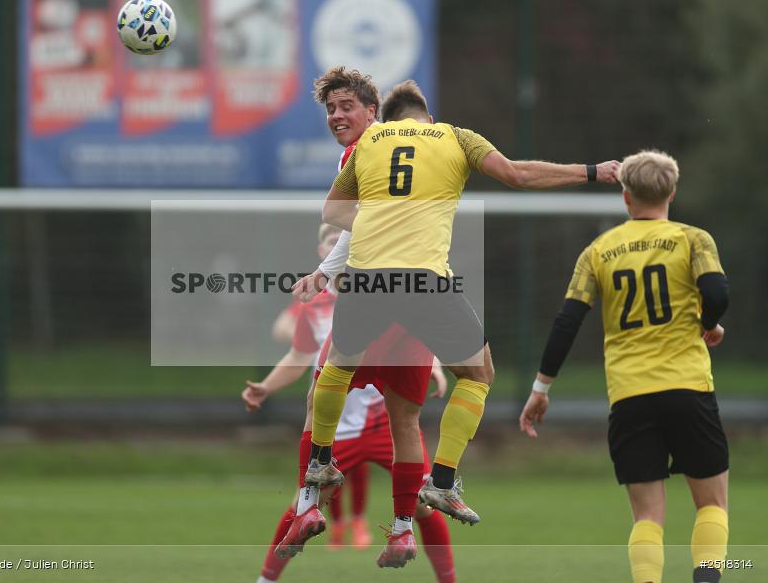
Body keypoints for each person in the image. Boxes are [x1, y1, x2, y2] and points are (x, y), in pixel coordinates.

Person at [302, 80, 620, 529]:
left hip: (366, 276)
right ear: (426, 117)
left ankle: (319, 460)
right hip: (422, 279)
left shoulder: (369, 141)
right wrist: (592, 171)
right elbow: (517, 175)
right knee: (477, 373)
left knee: (337, 366)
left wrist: (383, 216)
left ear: (386, 119)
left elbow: (333, 212)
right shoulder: (454, 136)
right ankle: (444, 481)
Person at [246, 67, 457, 580]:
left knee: (334, 404)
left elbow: (374, 227)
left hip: (388, 322)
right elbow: (364, 226)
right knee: (322, 402)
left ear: (372, 112)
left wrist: (326, 270)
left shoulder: (377, 149)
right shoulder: (370, 157)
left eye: (347, 108)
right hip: (387, 321)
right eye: (331, 110)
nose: (338, 116)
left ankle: (331, 512)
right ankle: (286, 547)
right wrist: (324, 272)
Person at [519, 150, 730, 583]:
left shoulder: (597, 251)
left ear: (625, 197)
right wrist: (709, 324)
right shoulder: (694, 239)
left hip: (630, 397)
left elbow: (566, 322)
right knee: (711, 505)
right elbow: (718, 292)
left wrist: (541, 388)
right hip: (688, 388)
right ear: (671, 192)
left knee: (647, 517)